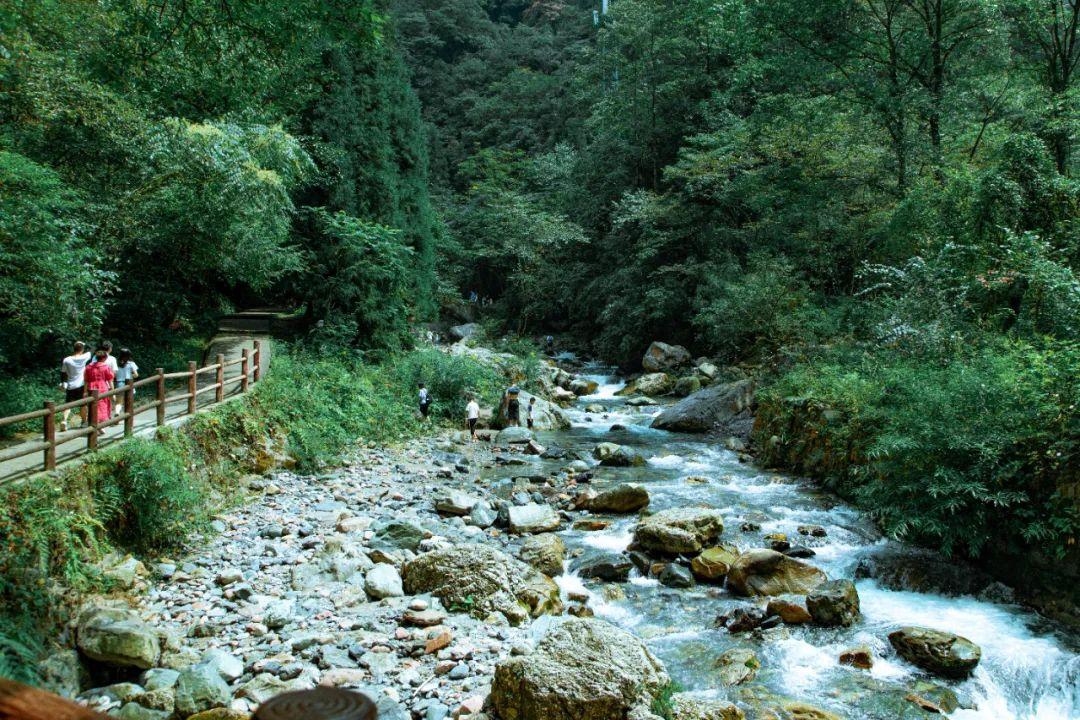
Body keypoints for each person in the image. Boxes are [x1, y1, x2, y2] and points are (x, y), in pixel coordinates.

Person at [59, 341, 92, 431]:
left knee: (68, 405)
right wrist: (83, 344)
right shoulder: (84, 357)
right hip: (81, 385)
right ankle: (84, 422)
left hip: (70, 385)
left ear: (73, 349)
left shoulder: (67, 360)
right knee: (83, 405)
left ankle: (64, 421)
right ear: (82, 349)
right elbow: (91, 349)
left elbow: (63, 373)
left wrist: (63, 383)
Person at [83, 346, 116, 433]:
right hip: (102, 388)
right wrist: (113, 392)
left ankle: (96, 426)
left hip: (91, 387)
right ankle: (98, 426)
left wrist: (85, 391)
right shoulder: (105, 367)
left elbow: (86, 380)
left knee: (93, 407)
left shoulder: (89, 367)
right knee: (102, 407)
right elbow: (110, 380)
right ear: (104, 358)